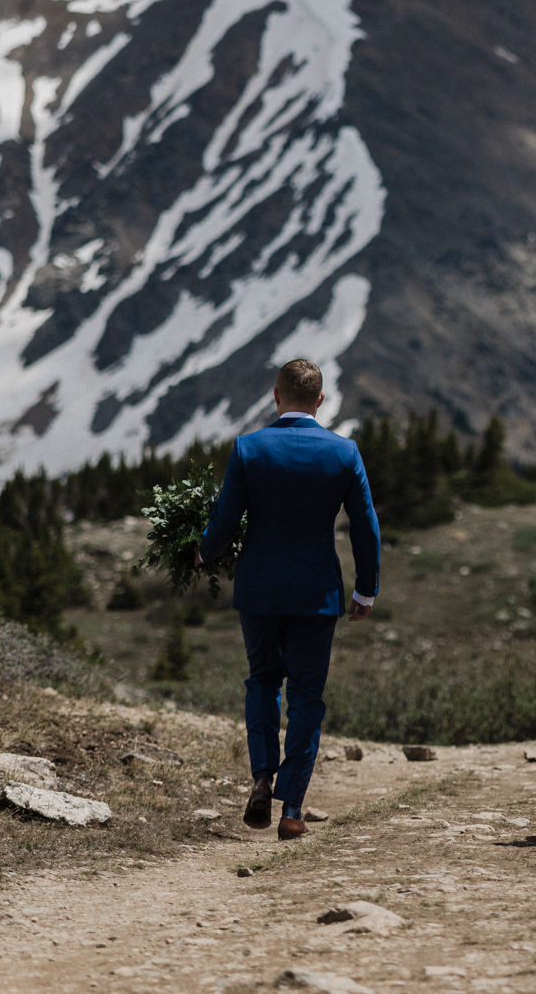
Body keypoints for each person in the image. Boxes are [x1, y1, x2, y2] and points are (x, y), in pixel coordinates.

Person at [199, 358, 381, 840]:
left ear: (276, 397)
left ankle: (262, 776)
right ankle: (293, 808)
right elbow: (365, 525)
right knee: (305, 698)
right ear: (320, 401)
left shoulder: (248, 449)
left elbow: (223, 520)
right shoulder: (344, 453)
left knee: (262, 682)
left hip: (259, 589)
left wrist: (202, 553)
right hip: (316, 594)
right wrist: (365, 588)